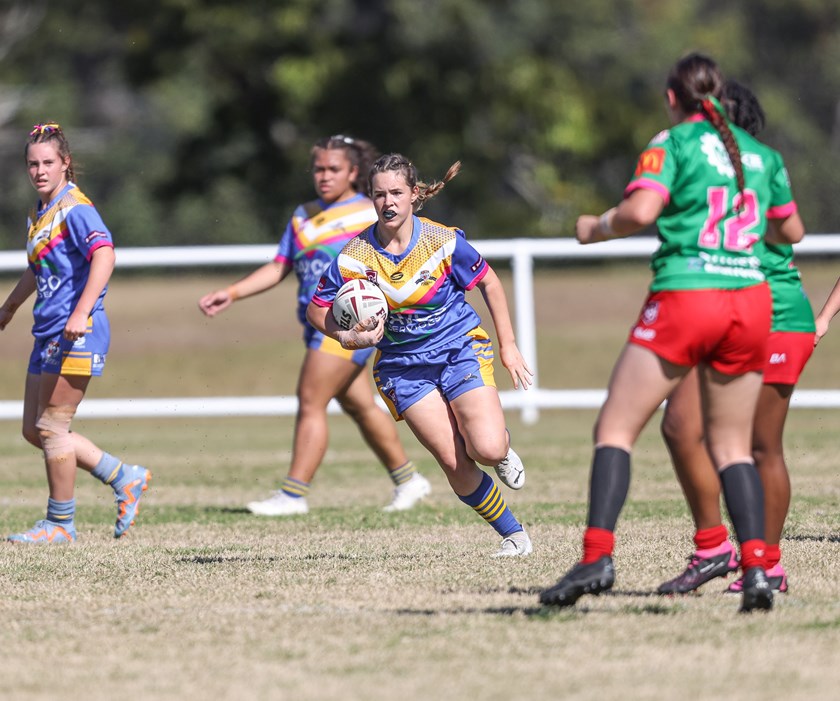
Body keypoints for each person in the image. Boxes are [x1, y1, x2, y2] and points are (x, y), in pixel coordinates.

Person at [538, 53, 805, 612]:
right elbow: (791, 230)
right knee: (732, 446)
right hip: (750, 302)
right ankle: (757, 570)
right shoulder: (761, 154)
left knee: (615, 428)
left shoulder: (673, 142)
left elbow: (640, 211)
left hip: (689, 294)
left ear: (671, 98)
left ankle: (596, 557)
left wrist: (594, 227)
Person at [306, 153, 534, 557]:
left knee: (486, 449)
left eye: (396, 193)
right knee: (453, 460)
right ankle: (514, 535)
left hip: (458, 350)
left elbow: (490, 282)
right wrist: (346, 336)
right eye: (379, 194)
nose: (388, 202)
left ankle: (501, 445)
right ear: (371, 198)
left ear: (414, 194)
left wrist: (509, 345)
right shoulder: (354, 256)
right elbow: (316, 308)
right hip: (402, 368)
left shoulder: (442, 241)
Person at [198, 135, 430, 515]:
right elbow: (280, 266)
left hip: (351, 324)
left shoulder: (371, 212)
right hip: (318, 324)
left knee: (310, 399)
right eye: (318, 169)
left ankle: (293, 494)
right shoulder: (303, 215)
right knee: (359, 404)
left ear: (353, 172)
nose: (324, 176)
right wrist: (232, 292)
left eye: (334, 169)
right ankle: (409, 480)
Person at [657, 80, 816, 596]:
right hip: (727, 316)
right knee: (682, 427)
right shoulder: (713, 167)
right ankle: (715, 548)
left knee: (760, 446)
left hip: (774, 317)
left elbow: (788, 232)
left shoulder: (758, 167)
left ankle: (766, 564)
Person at [1, 122, 150, 543]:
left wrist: (81, 312)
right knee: (34, 429)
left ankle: (60, 524)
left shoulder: (76, 208)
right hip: (46, 330)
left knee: (53, 427)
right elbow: (38, 267)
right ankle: (124, 476)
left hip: (75, 331)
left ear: (65, 163)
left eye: (48, 162)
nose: (40, 171)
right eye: (33, 164)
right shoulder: (40, 211)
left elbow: (105, 255)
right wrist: (9, 307)